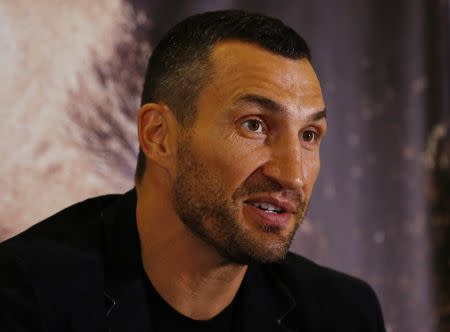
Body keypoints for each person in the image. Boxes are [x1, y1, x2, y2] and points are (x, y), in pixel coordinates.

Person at [0, 10, 386, 332]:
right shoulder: (24, 296)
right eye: (254, 125)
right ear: (159, 136)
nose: (293, 176)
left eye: (309, 134)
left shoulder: (342, 314)